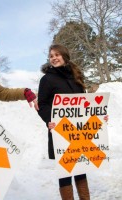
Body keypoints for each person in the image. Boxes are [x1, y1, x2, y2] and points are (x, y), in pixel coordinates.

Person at [37, 44, 90, 200]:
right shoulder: (47, 79)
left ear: (65, 56)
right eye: (51, 55)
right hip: (60, 131)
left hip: (78, 131)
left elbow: (85, 104)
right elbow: (43, 104)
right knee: (65, 171)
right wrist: (49, 120)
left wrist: (98, 117)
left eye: (57, 55)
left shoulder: (76, 77)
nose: (54, 58)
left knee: (81, 169)